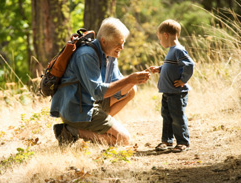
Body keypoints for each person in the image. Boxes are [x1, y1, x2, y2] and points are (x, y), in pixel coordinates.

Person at [50, 17, 150, 146]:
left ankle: (97, 126)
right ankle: (71, 131)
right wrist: (129, 79)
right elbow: (98, 92)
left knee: (132, 90)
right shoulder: (86, 55)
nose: (122, 47)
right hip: (77, 109)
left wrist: (133, 81)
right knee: (124, 140)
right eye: (118, 43)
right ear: (104, 41)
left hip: (91, 103)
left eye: (123, 42)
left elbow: (117, 89)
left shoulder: (110, 55)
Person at [149, 19, 195, 152]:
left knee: (177, 117)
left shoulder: (178, 50)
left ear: (165, 35)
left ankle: (183, 142)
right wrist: (159, 69)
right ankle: (167, 141)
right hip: (167, 91)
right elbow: (170, 66)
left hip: (176, 92)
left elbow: (190, 65)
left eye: (159, 38)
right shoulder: (172, 51)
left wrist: (183, 80)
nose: (159, 42)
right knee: (166, 116)